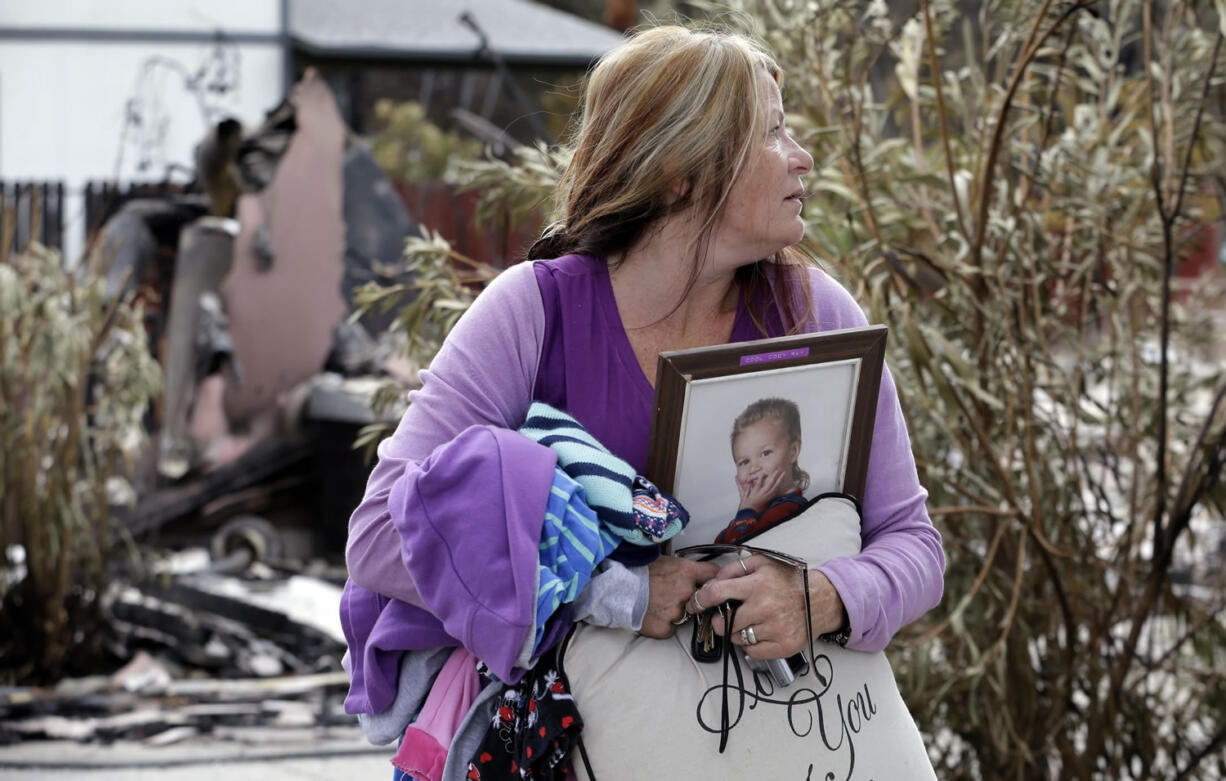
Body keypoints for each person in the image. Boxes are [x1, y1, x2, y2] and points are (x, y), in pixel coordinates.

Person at [342, 22, 945, 775]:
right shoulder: (534, 314)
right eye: (772, 133)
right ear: (680, 173)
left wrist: (819, 596)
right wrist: (611, 591)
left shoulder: (816, 315)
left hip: (786, 744)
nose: (803, 157)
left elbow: (914, 545)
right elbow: (376, 537)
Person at [715, 397, 810, 545]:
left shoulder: (788, 511)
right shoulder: (759, 512)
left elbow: (736, 551)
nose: (754, 468)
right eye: (744, 462)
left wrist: (747, 510)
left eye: (765, 453)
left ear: (793, 452)